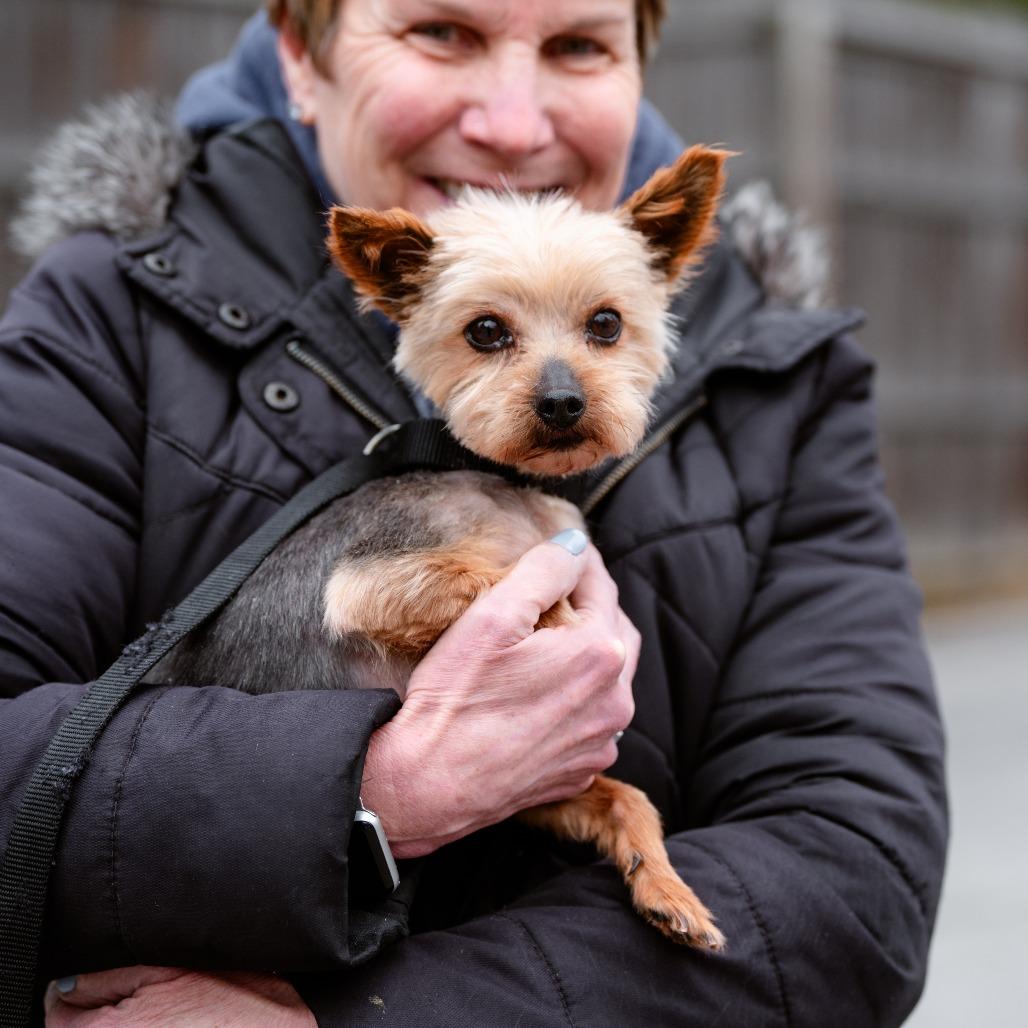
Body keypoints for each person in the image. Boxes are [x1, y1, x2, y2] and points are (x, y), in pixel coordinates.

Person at [0, 1, 947, 1024]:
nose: (510, 124)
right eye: (440, 32)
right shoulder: (105, 318)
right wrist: (377, 788)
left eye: (578, 45)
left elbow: (853, 881)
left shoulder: (781, 380)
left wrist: (362, 1017)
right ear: (300, 53)